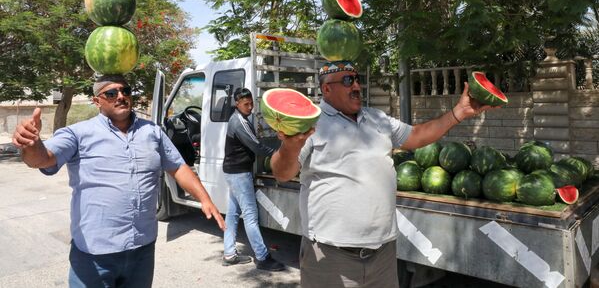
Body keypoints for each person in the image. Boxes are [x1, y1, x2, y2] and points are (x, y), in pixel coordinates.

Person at [271, 61, 497, 288]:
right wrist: (289, 147)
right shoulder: (310, 125)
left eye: (357, 79)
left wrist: (458, 113)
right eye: (348, 81)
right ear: (327, 89)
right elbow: (282, 173)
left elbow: (417, 136)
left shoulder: (377, 118)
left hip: (383, 254)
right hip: (331, 254)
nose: (357, 86)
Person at [12, 74, 225, 288]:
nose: (120, 96)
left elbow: (177, 166)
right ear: (97, 101)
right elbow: (42, 159)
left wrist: (204, 199)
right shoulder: (78, 133)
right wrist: (31, 144)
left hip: (142, 250)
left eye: (126, 91)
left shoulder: (152, 132)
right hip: (94, 256)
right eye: (111, 93)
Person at [221, 88, 285, 271]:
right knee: (250, 215)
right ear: (237, 104)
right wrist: (278, 154)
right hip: (239, 174)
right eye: (246, 104)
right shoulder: (239, 122)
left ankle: (229, 254)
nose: (250, 107)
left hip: (233, 172)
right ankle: (262, 257)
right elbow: (256, 146)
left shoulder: (240, 118)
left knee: (233, 215)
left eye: (251, 104)